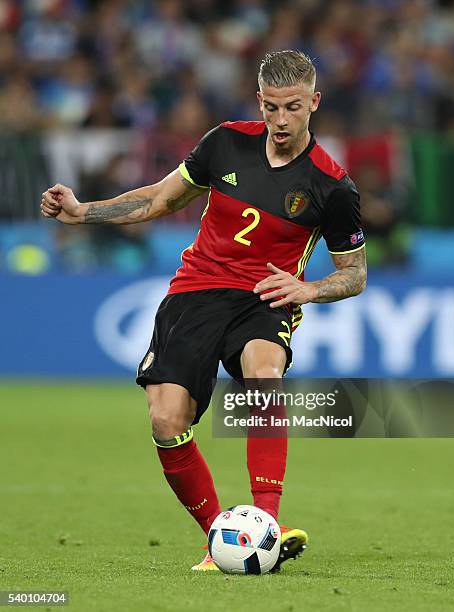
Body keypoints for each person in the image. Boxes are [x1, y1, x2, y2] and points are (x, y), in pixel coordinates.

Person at [41, 50, 367, 572]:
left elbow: (355, 273)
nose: (282, 121)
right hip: (195, 290)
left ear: (315, 103)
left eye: (294, 108)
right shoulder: (224, 143)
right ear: (259, 101)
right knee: (167, 420)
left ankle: (268, 523)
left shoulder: (331, 185)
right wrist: (84, 213)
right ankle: (221, 540)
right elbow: (160, 201)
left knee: (265, 373)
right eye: (272, 108)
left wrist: (308, 291)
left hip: (264, 296)